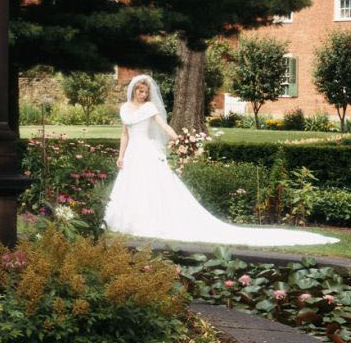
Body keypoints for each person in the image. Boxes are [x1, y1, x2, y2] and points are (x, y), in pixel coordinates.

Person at [102, 75, 337, 248]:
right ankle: (128, 220)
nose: (142, 94)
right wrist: (121, 155)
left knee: (153, 186)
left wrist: (180, 139)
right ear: (134, 90)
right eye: (140, 91)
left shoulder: (150, 108)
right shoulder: (125, 108)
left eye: (145, 92)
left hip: (148, 152)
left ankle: (149, 219)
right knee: (131, 185)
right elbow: (125, 133)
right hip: (133, 152)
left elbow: (163, 126)